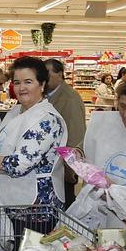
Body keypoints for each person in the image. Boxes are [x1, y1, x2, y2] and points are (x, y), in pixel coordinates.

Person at [0, 57, 68, 210]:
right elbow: (2, 146)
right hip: (11, 199)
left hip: (36, 208)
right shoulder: (16, 111)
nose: (21, 87)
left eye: (28, 82)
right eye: (17, 82)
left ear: (42, 84)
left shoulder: (47, 119)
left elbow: (18, 165)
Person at [42, 58, 85, 208]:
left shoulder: (69, 98)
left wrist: (70, 168)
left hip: (62, 166)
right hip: (52, 166)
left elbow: (76, 133)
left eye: (47, 73)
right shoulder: (49, 96)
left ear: (60, 74)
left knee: (66, 203)